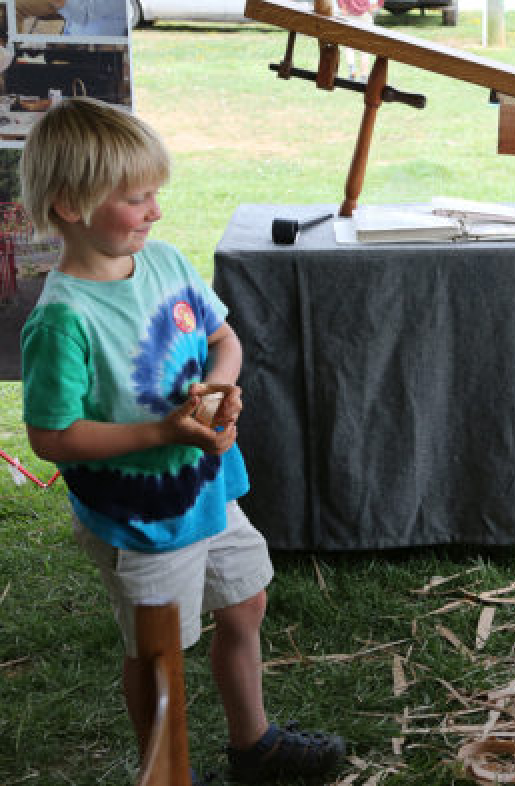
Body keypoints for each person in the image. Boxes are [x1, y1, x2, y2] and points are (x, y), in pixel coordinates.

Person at [18, 97, 345, 784]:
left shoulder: (166, 263)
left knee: (246, 601)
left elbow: (223, 340)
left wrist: (222, 389)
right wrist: (160, 432)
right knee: (159, 652)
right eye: (137, 199)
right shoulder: (62, 320)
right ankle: (166, 772)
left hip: (207, 489)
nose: (156, 212)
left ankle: (252, 745)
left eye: (155, 195)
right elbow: (51, 436)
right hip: (140, 518)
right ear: (72, 206)